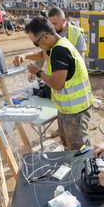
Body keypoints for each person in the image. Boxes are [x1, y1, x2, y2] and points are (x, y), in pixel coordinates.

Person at [13, 16, 93, 150]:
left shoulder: (59, 51)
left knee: (78, 151)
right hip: (69, 108)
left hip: (75, 111)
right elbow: (42, 54)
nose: (37, 46)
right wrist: (25, 56)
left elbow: (57, 84)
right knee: (69, 146)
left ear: (45, 37)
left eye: (36, 43)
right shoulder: (59, 43)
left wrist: (38, 72)